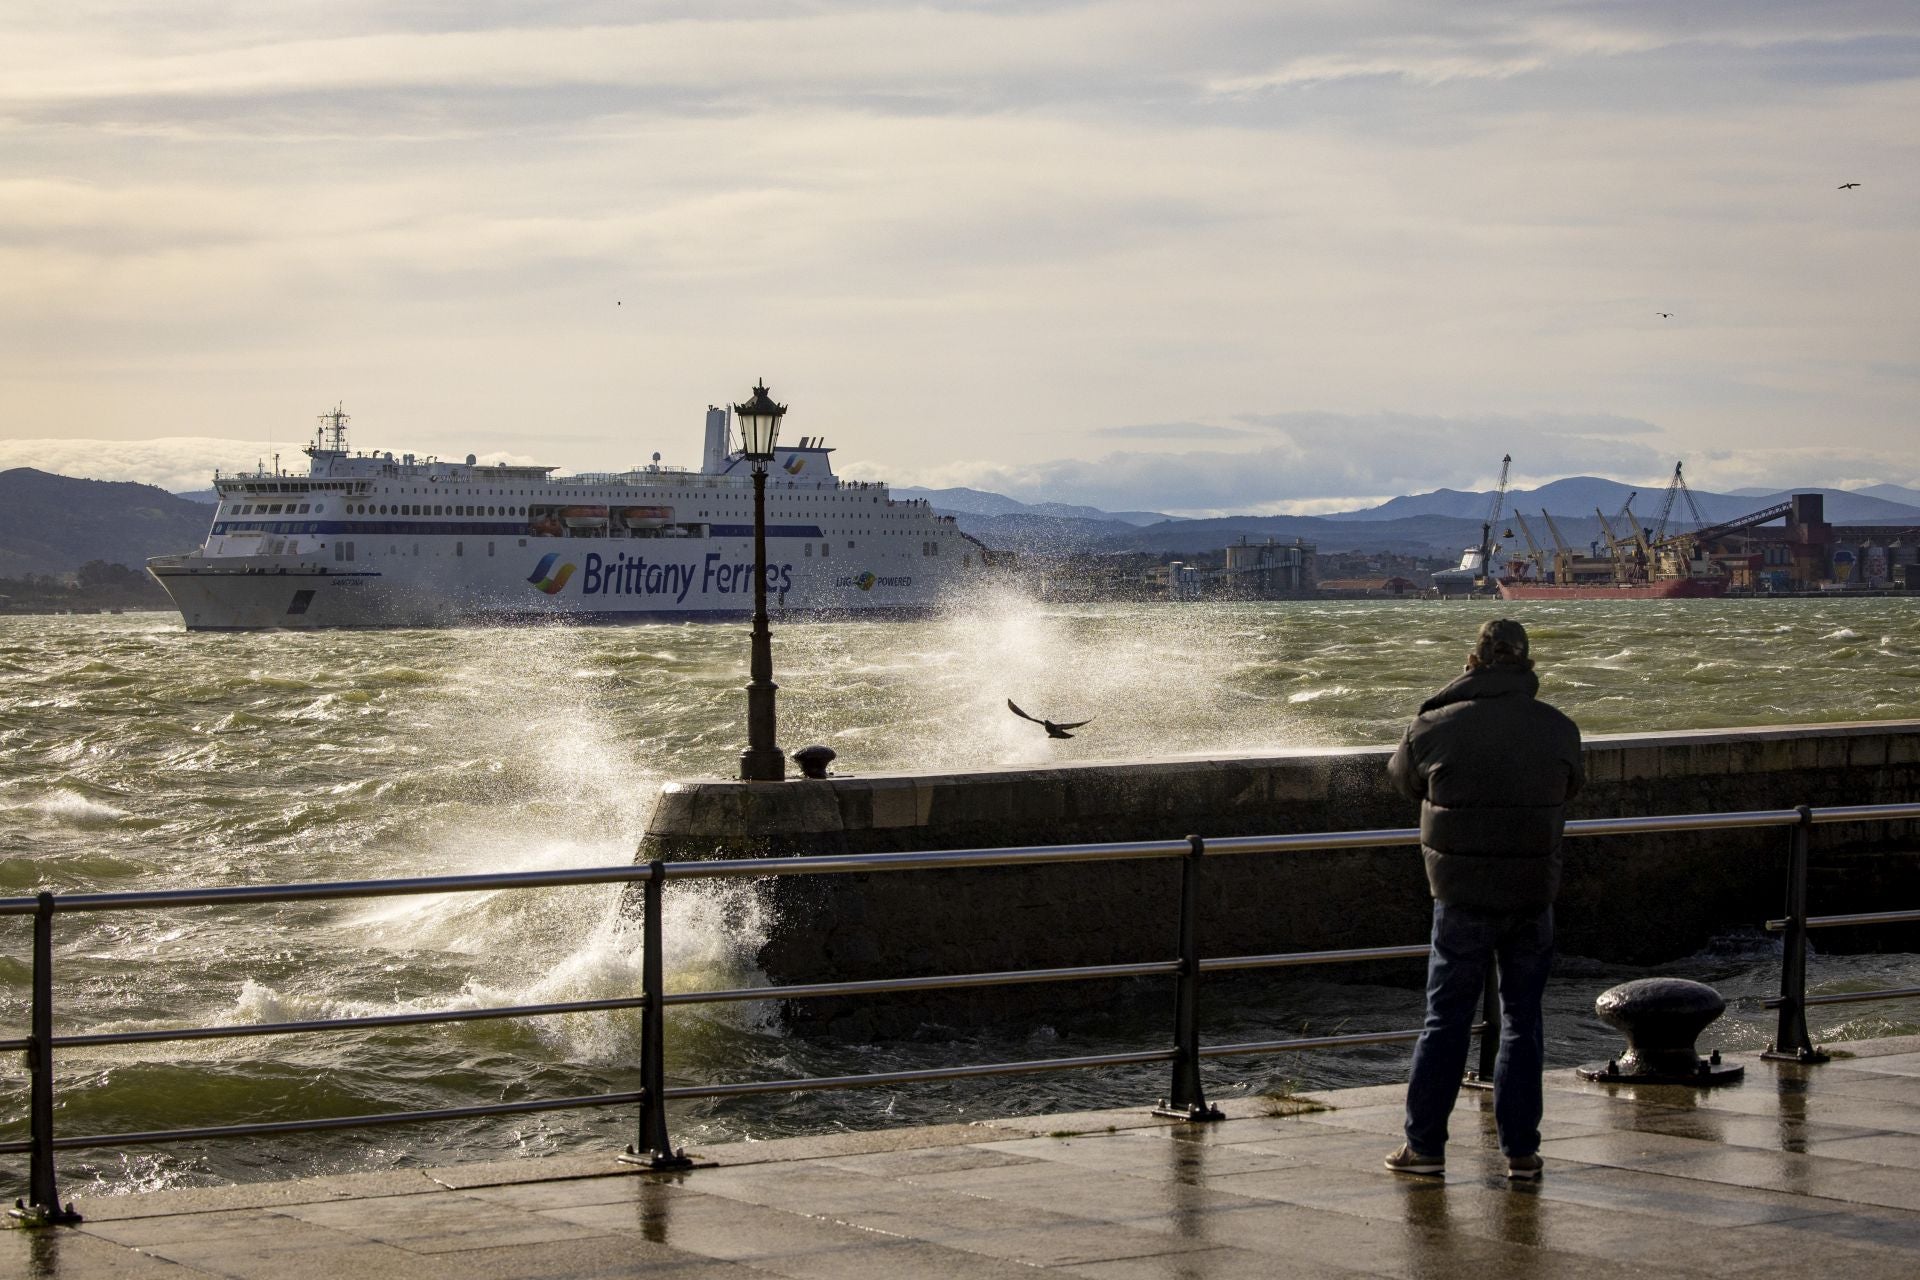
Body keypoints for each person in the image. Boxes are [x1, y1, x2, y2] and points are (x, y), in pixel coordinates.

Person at [1383, 618, 1583, 1182]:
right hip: (1531, 893)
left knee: (1445, 1018)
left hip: (1460, 895)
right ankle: (1521, 1150)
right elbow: (1572, 785)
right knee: (1523, 1019)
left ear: (1472, 661)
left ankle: (1424, 1148)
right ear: (1527, 665)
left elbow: (1402, 778)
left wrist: (1445, 695)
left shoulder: (1435, 724)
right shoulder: (1558, 727)